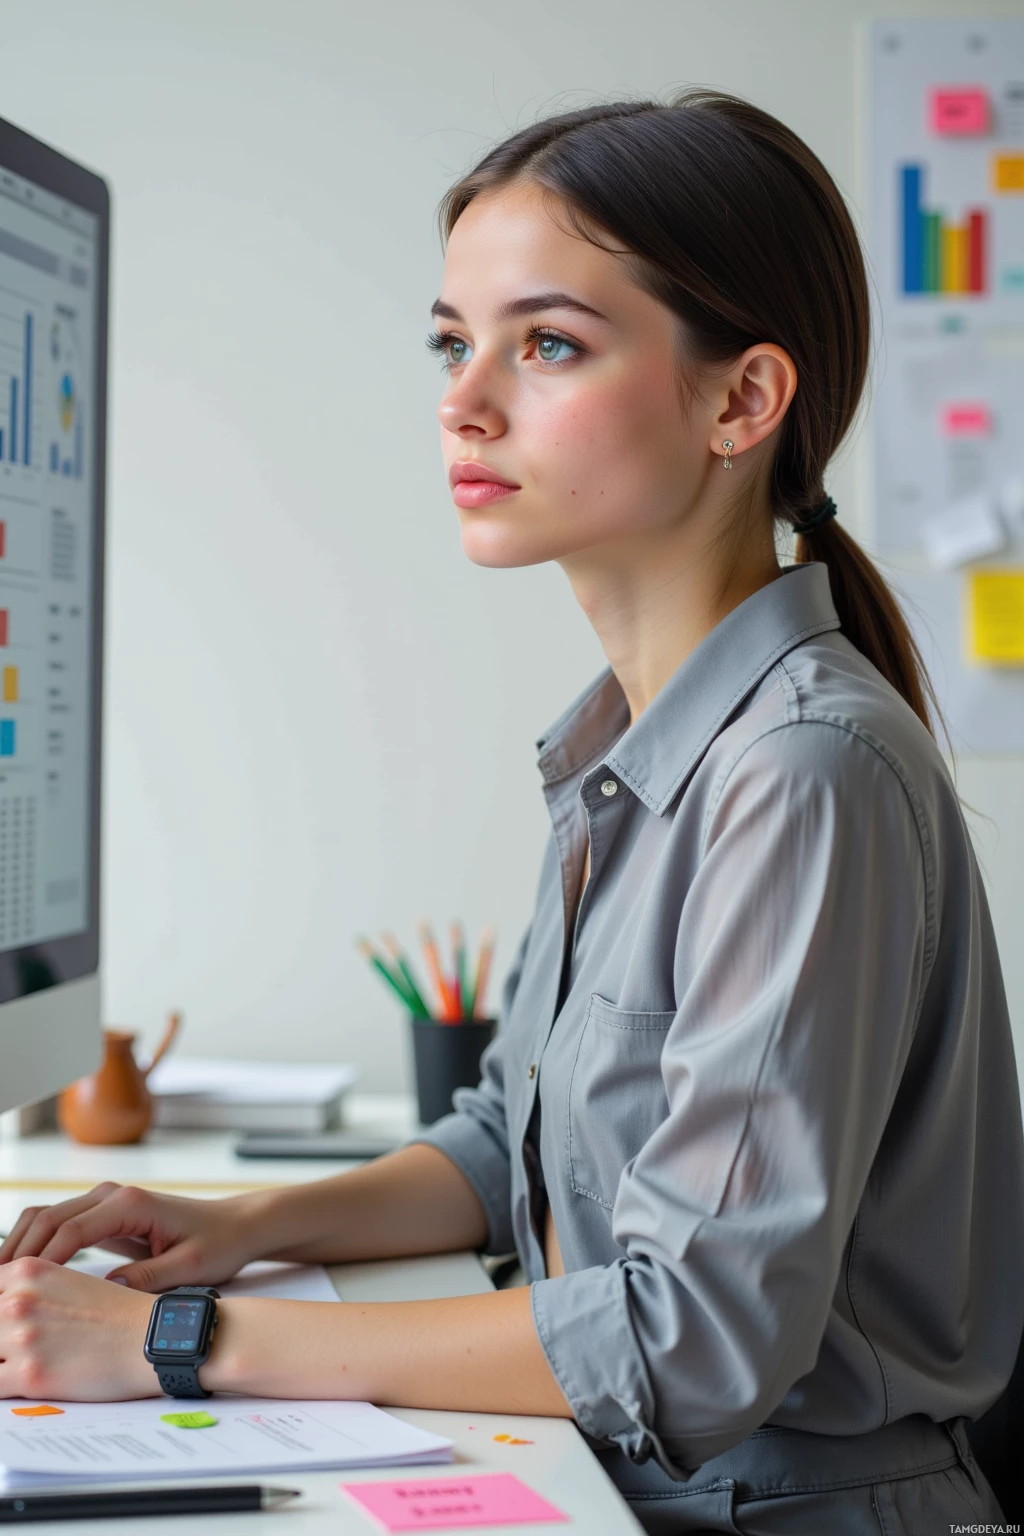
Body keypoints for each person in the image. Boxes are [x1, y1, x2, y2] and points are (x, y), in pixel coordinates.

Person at [0, 90, 1021, 1535]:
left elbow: (694, 1339)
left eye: (546, 344)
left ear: (743, 401)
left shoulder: (800, 770)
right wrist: (230, 1234)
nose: (463, 399)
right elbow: (506, 1142)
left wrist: (178, 1344)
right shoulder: (638, 745)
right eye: (450, 341)